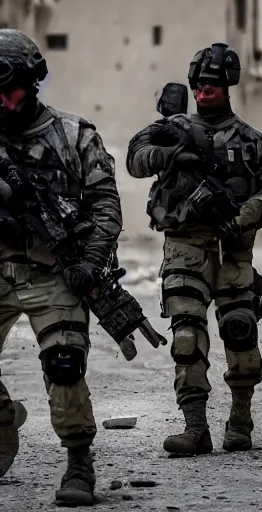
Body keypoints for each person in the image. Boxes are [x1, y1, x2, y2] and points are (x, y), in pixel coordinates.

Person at [126, 42, 262, 456]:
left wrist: (250, 210)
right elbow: (136, 159)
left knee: (240, 333)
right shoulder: (174, 127)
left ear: (227, 87)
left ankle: (240, 421)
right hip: (184, 247)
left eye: (212, 84)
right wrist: (172, 152)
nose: (204, 91)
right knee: (186, 337)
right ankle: (195, 426)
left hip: (233, 250)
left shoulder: (250, 140)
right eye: (198, 84)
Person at [0, 29, 123, 506]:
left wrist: (89, 264)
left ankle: (78, 462)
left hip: (53, 274)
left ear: (30, 83)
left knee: (64, 363)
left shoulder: (74, 136)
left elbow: (106, 207)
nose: (0, 100)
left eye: (6, 87)